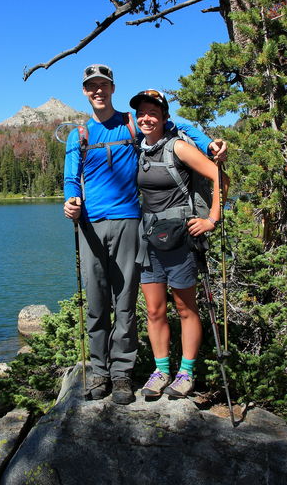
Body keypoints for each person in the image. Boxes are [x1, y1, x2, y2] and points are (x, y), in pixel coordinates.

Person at [63, 64, 226, 405]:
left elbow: (178, 126)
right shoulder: (78, 134)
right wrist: (70, 201)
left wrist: (208, 143)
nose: (98, 91)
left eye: (103, 85)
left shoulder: (131, 122)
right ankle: (99, 372)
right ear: (84, 91)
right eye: (91, 86)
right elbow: (70, 179)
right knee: (97, 305)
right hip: (91, 226)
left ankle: (122, 374)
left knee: (125, 304)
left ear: (112, 88)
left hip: (130, 223)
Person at [129, 89, 229, 399]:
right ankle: (161, 371)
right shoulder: (137, 149)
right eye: (142, 113)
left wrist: (212, 219)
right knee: (155, 311)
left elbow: (219, 178)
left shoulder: (179, 148)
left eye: (153, 113)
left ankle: (186, 373)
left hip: (182, 240)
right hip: (149, 239)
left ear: (164, 118)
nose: (146, 118)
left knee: (186, 309)